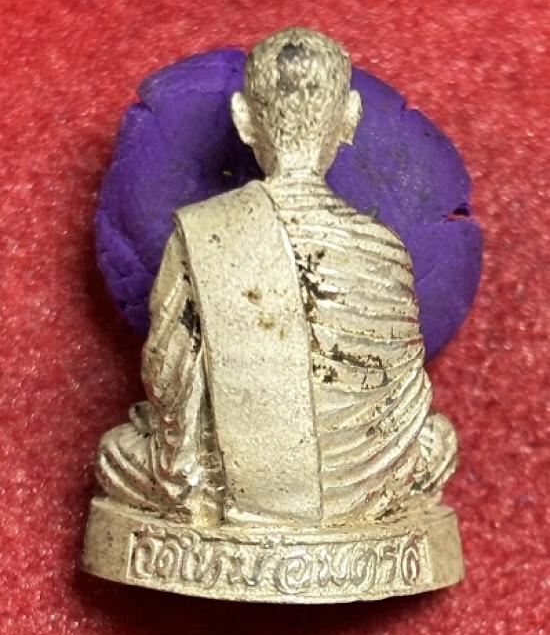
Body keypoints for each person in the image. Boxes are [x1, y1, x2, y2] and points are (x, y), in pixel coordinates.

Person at [96, 27, 458, 528]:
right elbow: (403, 402)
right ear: (351, 115)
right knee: (439, 440)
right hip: (369, 493)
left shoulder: (203, 234)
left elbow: (170, 382)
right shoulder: (386, 248)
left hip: (234, 491)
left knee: (119, 450)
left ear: (243, 119)